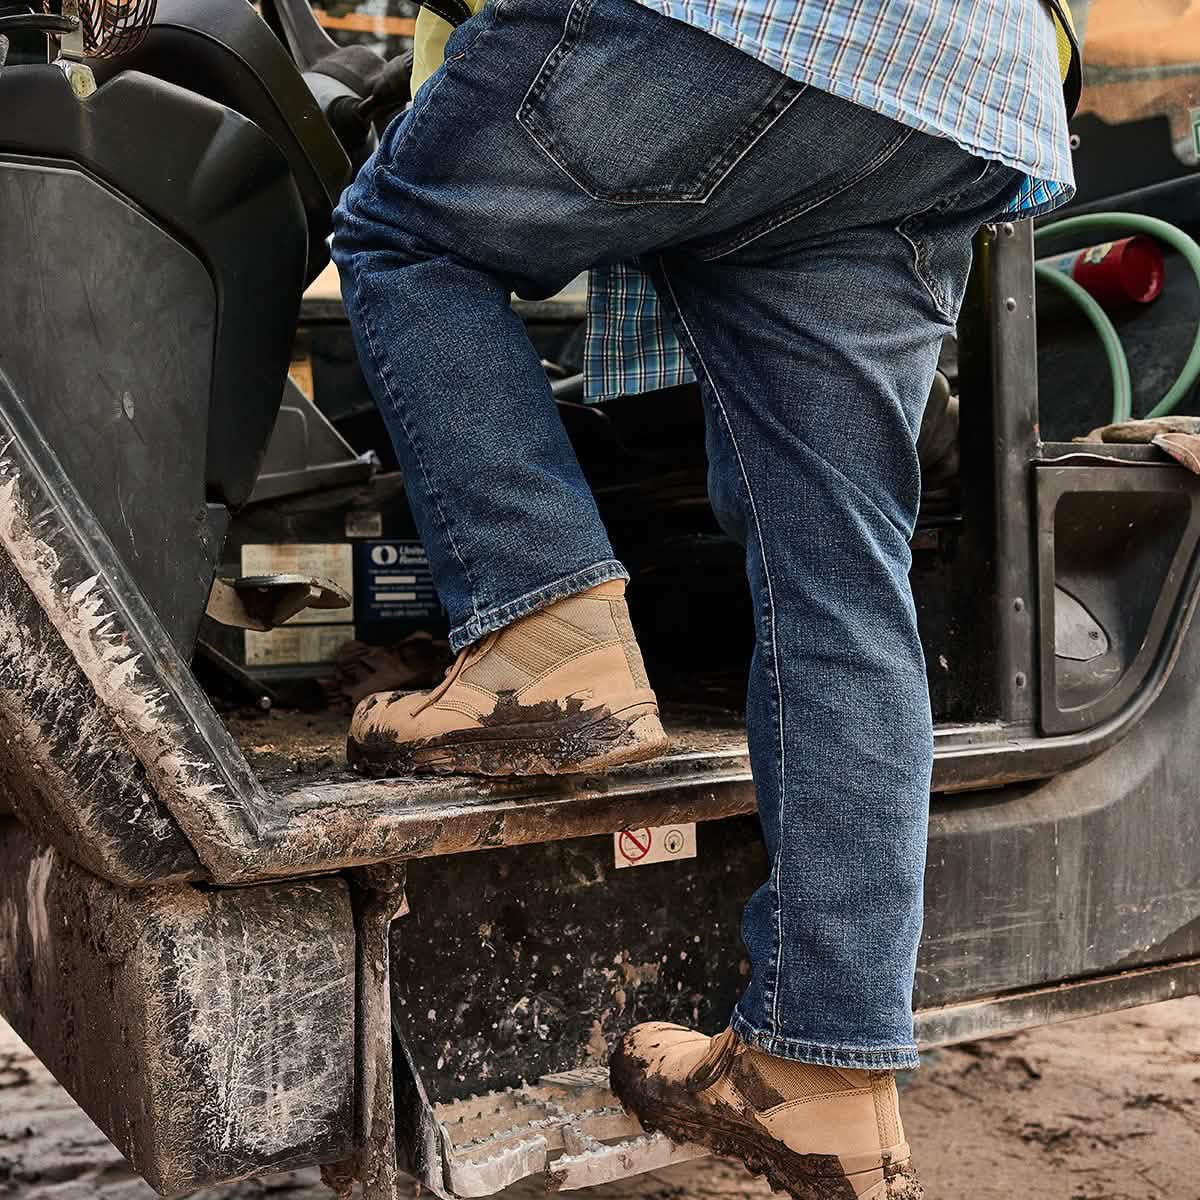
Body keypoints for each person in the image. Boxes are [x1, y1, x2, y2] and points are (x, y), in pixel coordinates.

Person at [331, 0, 1076, 1192]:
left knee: (406, 236)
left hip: (744, 25)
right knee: (839, 575)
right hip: (968, 88)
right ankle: (821, 1076)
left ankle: (543, 635)